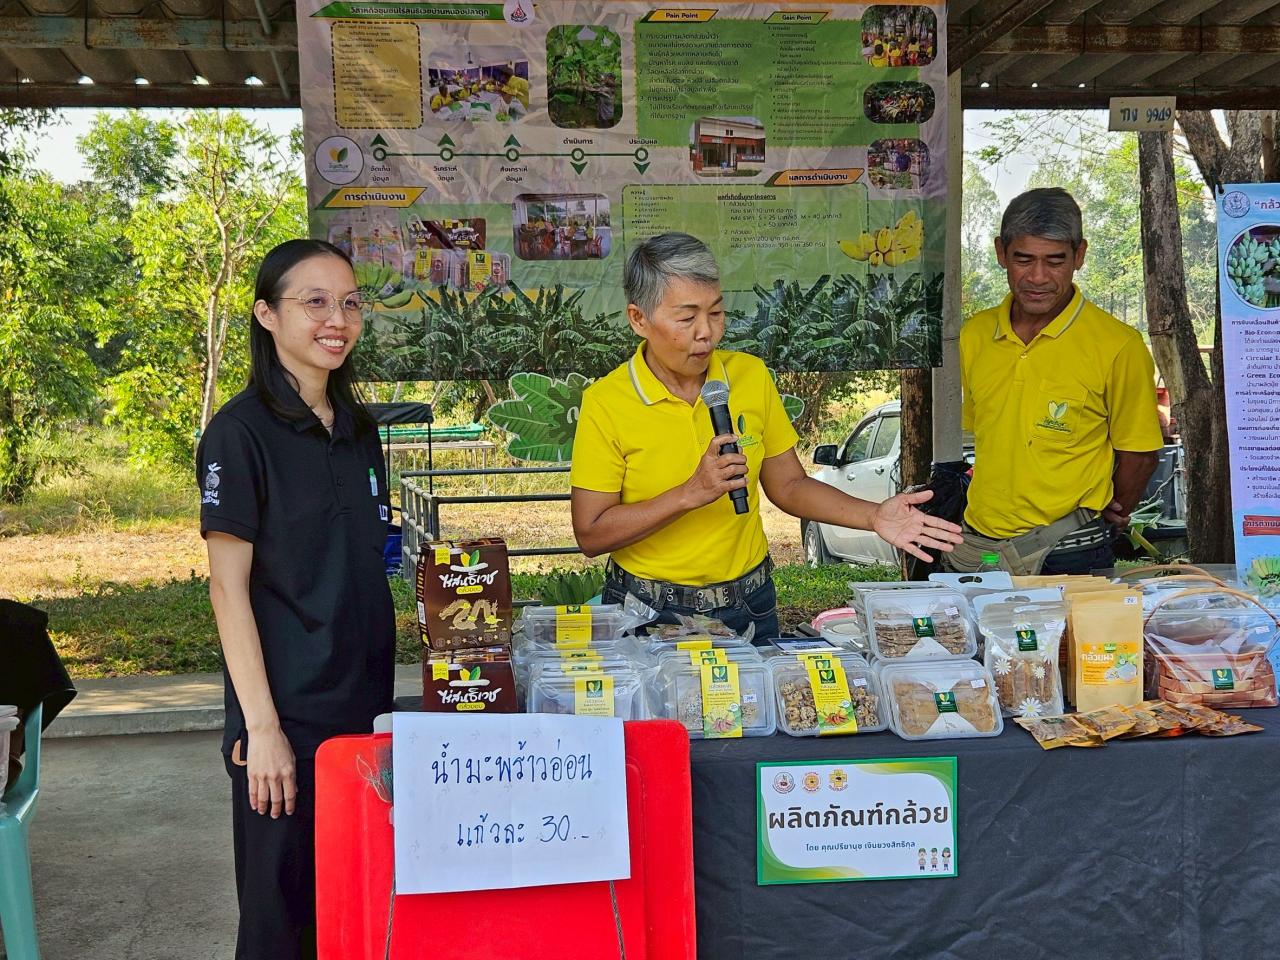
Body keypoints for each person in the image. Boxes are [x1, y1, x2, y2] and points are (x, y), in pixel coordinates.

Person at [570, 232, 961, 639]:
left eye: (716, 312)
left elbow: (789, 486)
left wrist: (874, 515)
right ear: (639, 319)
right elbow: (592, 533)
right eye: (686, 319)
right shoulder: (607, 402)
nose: (706, 333)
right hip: (648, 609)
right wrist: (689, 494)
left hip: (747, 604)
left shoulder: (749, 376)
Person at [198, 239, 394, 959]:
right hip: (285, 718)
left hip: (363, 707)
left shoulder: (359, 430)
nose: (336, 319)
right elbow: (227, 587)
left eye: (349, 302)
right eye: (314, 302)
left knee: (352, 904)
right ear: (267, 315)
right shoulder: (238, 433)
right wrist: (263, 729)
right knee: (280, 919)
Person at [949, 188, 1163, 575]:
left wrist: (1111, 513)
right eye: (1023, 259)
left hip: (1069, 548)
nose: (1038, 277)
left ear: (1079, 255)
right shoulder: (975, 335)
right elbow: (984, 433)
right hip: (979, 546)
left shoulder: (1118, 345)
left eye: (1055, 261)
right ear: (1001, 253)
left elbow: (1140, 454)